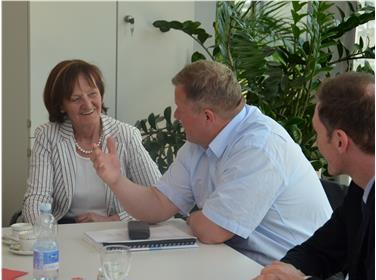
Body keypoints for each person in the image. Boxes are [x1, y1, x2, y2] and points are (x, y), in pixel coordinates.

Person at [91, 60, 332, 265]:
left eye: (179, 108)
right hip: (237, 262)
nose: (175, 116)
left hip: (290, 272)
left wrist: (193, 218)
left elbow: (212, 231)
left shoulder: (260, 146)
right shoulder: (199, 142)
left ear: (207, 116)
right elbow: (157, 205)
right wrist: (116, 180)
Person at [238, 72, 374, 280]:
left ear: (340, 141)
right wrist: (283, 271)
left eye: (317, 132)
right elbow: (324, 249)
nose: (316, 143)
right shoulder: (362, 186)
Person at [22, 59, 161, 224]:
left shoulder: (126, 135)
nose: (87, 104)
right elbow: (37, 198)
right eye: (76, 99)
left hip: (116, 231)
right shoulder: (47, 136)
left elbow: (158, 197)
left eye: (92, 94)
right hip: (63, 230)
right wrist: (47, 236)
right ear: (61, 106)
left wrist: (114, 220)